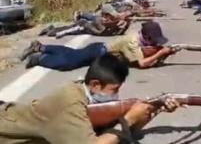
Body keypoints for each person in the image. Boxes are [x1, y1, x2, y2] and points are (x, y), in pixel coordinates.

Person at [0, 54, 180, 144]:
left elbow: (125, 134)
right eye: (114, 90)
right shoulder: (70, 102)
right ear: (95, 84)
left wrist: (153, 110)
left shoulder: (87, 95)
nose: (116, 95)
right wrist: (129, 118)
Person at [20, 21, 178, 71]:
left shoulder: (140, 40)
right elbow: (142, 64)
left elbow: (145, 54)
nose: (156, 43)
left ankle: (41, 47)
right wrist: (161, 52)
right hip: (98, 52)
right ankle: (39, 58)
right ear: (147, 36)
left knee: (72, 53)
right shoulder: (133, 42)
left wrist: (163, 53)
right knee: (68, 63)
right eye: (154, 39)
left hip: (99, 50)